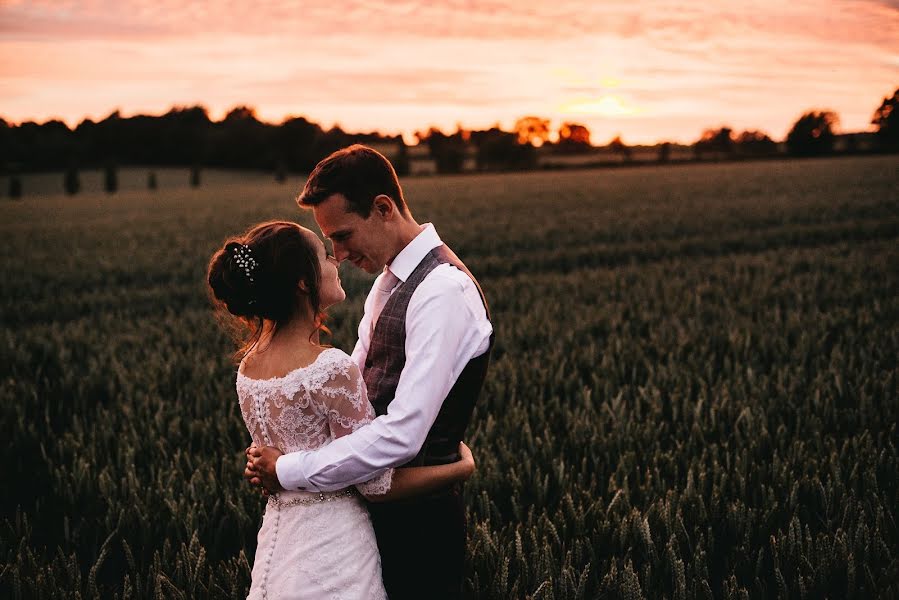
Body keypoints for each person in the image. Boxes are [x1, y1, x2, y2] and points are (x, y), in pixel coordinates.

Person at [245, 145, 494, 599]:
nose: (336, 254)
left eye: (342, 235)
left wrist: (290, 470)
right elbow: (353, 386)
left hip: (421, 526)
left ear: (383, 208)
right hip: (361, 521)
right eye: (329, 242)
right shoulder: (387, 284)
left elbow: (403, 434)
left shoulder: (443, 290)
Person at [208, 221, 477, 599]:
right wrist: (460, 468)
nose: (337, 260)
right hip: (335, 550)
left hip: (280, 545)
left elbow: (271, 460)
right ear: (304, 282)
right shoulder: (330, 369)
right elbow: (376, 484)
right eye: (323, 254)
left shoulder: (248, 368)